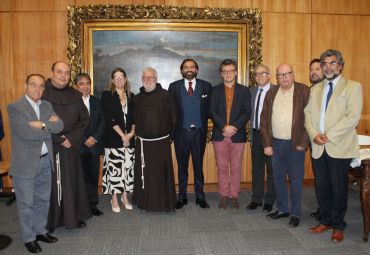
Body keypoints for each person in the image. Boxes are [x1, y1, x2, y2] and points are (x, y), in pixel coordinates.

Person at [305, 49, 363, 243]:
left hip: (339, 146)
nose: (328, 67)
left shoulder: (353, 87)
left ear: (340, 65)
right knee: (322, 187)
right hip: (318, 146)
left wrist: (328, 136)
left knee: (338, 188)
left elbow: (352, 118)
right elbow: (308, 116)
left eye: (332, 63)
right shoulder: (315, 89)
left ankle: (338, 225)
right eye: (324, 64)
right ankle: (326, 220)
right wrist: (314, 135)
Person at [8, 74, 63, 253]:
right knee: (26, 203)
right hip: (25, 164)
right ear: (26, 86)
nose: (37, 89)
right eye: (33, 85)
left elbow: (60, 126)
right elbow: (26, 133)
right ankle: (29, 238)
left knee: (43, 200)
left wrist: (40, 125)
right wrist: (48, 127)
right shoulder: (16, 107)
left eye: (41, 86)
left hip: (45, 163)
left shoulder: (47, 105)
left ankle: (40, 231)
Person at [42, 61, 92, 230]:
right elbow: (39, 121)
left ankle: (73, 217)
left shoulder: (75, 95)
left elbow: (84, 119)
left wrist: (71, 138)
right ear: (52, 73)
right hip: (50, 146)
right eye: (60, 72)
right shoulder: (42, 94)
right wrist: (59, 139)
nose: (64, 76)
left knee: (72, 183)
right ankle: (52, 220)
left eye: (67, 73)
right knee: (52, 186)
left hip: (71, 146)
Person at [260, 64, 310, 227]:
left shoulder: (303, 90)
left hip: (295, 145)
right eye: (280, 75)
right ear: (276, 77)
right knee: (278, 178)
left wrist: (304, 142)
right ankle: (282, 209)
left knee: (295, 180)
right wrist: (267, 144)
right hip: (276, 144)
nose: (283, 78)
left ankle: (295, 213)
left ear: (293, 74)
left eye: (286, 74)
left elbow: (311, 118)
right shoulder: (272, 92)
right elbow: (264, 119)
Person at [168, 59, 212, 209]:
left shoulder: (206, 86)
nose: (189, 69)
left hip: (199, 133)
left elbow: (210, 109)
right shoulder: (173, 87)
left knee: (198, 166)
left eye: (192, 67)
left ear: (197, 70)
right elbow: (170, 112)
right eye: (186, 67)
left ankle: (200, 197)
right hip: (181, 133)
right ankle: (182, 197)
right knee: (182, 167)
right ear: (181, 70)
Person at [133, 67, 177, 212]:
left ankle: (164, 203)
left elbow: (173, 118)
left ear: (156, 79)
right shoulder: (137, 98)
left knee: (160, 175)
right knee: (145, 174)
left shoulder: (165, 96)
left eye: (150, 77)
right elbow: (134, 121)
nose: (147, 80)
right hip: (143, 145)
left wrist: (169, 137)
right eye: (145, 77)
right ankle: (145, 203)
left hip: (161, 143)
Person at [209, 59, 251, 209]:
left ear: (235, 72)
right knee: (221, 167)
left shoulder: (245, 90)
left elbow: (247, 112)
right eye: (225, 71)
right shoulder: (214, 90)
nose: (228, 73)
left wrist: (234, 127)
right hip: (220, 135)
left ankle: (234, 195)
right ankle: (223, 195)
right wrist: (223, 127)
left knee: (236, 167)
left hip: (237, 135)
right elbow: (212, 111)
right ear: (221, 73)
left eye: (230, 70)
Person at [101, 68, 135, 213]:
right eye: (116, 77)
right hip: (113, 138)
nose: (119, 79)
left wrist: (131, 134)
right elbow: (110, 118)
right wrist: (123, 136)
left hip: (130, 139)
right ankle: (114, 197)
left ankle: (125, 197)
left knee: (128, 169)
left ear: (126, 79)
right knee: (114, 170)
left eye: (122, 76)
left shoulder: (132, 96)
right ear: (112, 80)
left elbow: (135, 118)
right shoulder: (107, 95)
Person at [74, 73, 106, 216]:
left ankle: (93, 205)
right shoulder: (71, 102)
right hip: (78, 146)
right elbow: (70, 125)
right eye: (82, 83)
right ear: (76, 86)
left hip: (94, 146)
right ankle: (80, 206)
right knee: (79, 178)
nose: (85, 86)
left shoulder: (96, 101)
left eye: (87, 83)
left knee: (93, 176)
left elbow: (102, 122)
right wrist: (84, 139)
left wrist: (94, 137)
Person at [246, 64, 276, 213]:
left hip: (271, 136)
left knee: (272, 169)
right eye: (257, 74)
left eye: (263, 73)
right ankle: (256, 198)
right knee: (256, 169)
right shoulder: (251, 91)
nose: (259, 76)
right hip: (256, 134)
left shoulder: (277, 90)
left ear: (269, 75)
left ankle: (270, 200)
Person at [308, 58, 324, 220]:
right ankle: (322, 209)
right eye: (311, 69)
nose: (313, 71)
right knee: (320, 178)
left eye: (317, 68)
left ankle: (332, 213)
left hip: (330, 142)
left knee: (331, 179)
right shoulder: (311, 90)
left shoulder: (331, 90)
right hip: (315, 141)